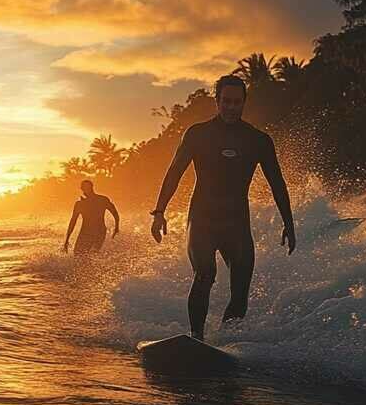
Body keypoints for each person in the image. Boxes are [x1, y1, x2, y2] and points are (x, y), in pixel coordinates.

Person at [150, 74, 296, 340]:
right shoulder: (198, 134)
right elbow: (174, 173)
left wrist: (289, 222)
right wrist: (159, 212)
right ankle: (196, 338)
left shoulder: (258, 140)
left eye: (236, 102)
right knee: (205, 273)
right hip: (202, 220)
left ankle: (225, 342)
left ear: (244, 103)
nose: (231, 107)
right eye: (226, 101)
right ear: (217, 102)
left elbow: (277, 183)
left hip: (236, 224)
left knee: (240, 292)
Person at [63, 180, 120, 255]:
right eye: (84, 187)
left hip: (99, 231)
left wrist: (116, 227)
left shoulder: (102, 200)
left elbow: (115, 213)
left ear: (92, 187)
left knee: (92, 254)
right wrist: (67, 239)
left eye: (88, 187)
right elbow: (73, 222)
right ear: (82, 189)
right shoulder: (80, 204)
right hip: (85, 232)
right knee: (78, 254)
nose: (86, 189)